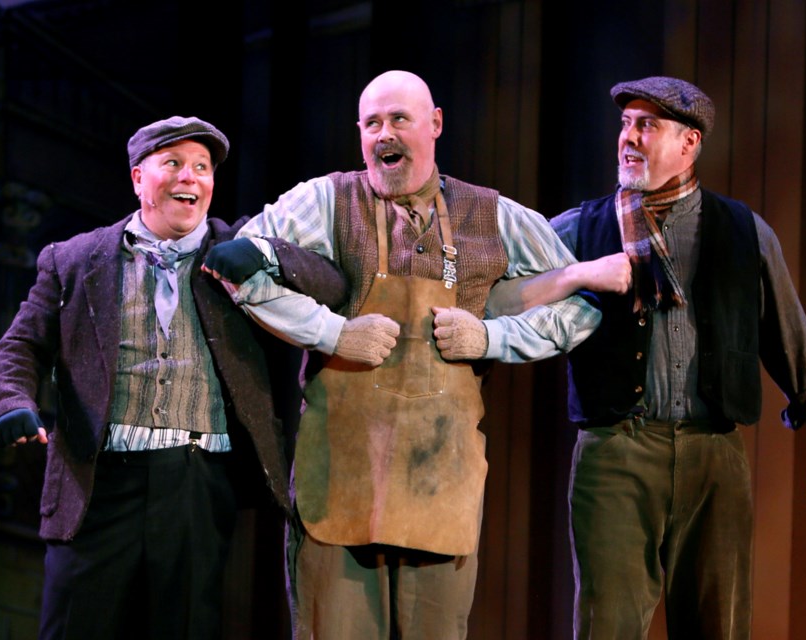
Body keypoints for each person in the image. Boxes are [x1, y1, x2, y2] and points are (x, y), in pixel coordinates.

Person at [201, 70, 603, 639]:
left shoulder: (493, 216)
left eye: (399, 119)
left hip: (440, 482)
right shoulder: (326, 200)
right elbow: (235, 266)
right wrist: (332, 333)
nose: (383, 133)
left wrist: (491, 338)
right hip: (339, 479)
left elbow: (581, 302)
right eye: (372, 123)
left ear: (434, 124)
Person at [487, 76, 806, 639]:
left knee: (719, 625)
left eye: (647, 125)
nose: (629, 138)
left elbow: (796, 351)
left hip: (714, 455)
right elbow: (499, 299)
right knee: (606, 626)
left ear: (689, 142)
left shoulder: (744, 233)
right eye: (625, 124)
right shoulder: (577, 230)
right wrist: (581, 273)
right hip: (616, 452)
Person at [0, 115, 347, 640]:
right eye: (173, 163)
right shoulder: (75, 258)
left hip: (195, 482)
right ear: (138, 179)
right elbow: (20, 345)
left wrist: (266, 254)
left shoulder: (239, 245)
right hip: (98, 483)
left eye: (201, 167)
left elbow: (332, 284)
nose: (189, 177)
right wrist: (10, 401)